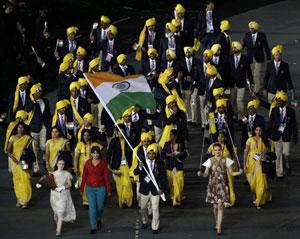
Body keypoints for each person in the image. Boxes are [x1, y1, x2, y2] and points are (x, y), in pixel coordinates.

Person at [198, 143, 242, 235]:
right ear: (213, 151)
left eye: (219, 150)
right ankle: (217, 222)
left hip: (222, 185)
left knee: (220, 205)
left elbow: (231, 173)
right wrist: (201, 174)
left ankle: (219, 227)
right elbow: (206, 174)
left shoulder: (227, 160)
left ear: (221, 151)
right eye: (216, 150)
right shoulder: (209, 160)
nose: (217, 152)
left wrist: (239, 173)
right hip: (213, 185)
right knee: (215, 206)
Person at [134, 143, 167, 234]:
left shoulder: (160, 163)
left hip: (155, 190)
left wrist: (162, 188)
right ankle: (144, 221)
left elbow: (163, 177)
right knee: (143, 208)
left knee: (155, 208)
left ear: (156, 154)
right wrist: (140, 167)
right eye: (149, 153)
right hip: (144, 189)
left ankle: (155, 227)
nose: (151, 155)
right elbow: (135, 172)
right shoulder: (142, 162)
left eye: (153, 154)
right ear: (147, 153)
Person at [80, 145, 111, 234]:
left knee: (100, 206)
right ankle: (93, 227)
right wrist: (82, 189)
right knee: (92, 208)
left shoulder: (103, 163)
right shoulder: (87, 163)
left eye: (97, 153)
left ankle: (98, 219)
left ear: (99, 154)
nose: (95, 155)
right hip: (90, 189)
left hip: (101, 188)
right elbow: (84, 176)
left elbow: (106, 177)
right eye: (93, 153)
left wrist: (108, 190)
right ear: (91, 154)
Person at [267, 91, 297, 179]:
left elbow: (294, 125)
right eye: (277, 100)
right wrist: (267, 136)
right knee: (278, 155)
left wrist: (295, 137)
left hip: (286, 136)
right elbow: (270, 123)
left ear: (284, 101)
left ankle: (287, 165)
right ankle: (279, 174)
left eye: (280, 100)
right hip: (276, 136)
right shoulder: (274, 110)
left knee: (286, 153)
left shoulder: (290, 111)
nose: (278, 102)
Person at [243, 125, 273, 208]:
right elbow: (246, 152)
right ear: (254, 131)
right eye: (256, 130)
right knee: (252, 183)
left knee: (261, 182)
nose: (258, 131)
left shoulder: (264, 140)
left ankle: (259, 200)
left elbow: (266, 152)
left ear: (262, 131)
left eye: (260, 130)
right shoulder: (249, 140)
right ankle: (256, 196)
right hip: (251, 163)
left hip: (260, 163)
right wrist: (244, 164)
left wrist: (263, 154)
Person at [6, 122, 33, 208]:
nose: (20, 129)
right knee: (17, 181)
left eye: (22, 127)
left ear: (24, 129)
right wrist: (13, 158)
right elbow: (8, 151)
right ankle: (19, 199)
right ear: (16, 129)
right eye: (18, 127)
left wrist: (26, 156)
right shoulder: (12, 138)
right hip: (14, 161)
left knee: (25, 180)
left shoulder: (28, 138)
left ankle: (25, 200)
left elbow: (30, 152)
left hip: (23, 161)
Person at [26, 83, 50, 175]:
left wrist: (48, 125)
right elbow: (27, 110)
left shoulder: (45, 101)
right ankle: (36, 170)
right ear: (33, 93)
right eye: (37, 92)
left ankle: (46, 165)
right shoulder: (29, 101)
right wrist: (34, 102)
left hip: (43, 127)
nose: (39, 93)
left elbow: (47, 114)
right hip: (33, 128)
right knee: (34, 150)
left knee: (44, 147)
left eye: (40, 91)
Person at [207, 132, 237, 207]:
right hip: (217, 170)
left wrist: (234, 166)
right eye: (219, 136)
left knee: (229, 184)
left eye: (222, 136)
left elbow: (234, 157)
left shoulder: (229, 146)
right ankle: (220, 199)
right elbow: (208, 155)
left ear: (225, 138)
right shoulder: (213, 146)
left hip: (227, 168)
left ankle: (230, 200)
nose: (220, 138)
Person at [107, 124, 133, 208]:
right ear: (117, 132)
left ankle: (128, 200)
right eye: (119, 131)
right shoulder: (114, 141)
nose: (121, 133)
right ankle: (122, 201)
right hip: (116, 165)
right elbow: (109, 153)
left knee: (127, 183)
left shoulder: (128, 141)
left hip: (127, 165)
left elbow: (132, 154)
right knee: (119, 185)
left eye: (122, 131)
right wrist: (108, 163)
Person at [243, 21, 271, 94]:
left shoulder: (262, 36)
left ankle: (257, 90)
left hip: (259, 58)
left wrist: (268, 57)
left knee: (257, 74)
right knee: (251, 74)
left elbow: (266, 46)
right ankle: (253, 87)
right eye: (250, 28)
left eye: (252, 28)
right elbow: (243, 45)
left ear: (256, 29)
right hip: (249, 58)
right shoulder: (247, 35)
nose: (251, 30)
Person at [50, 157, 76, 237]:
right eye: (60, 164)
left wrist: (63, 188)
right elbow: (50, 184)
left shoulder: (67, 174)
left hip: (64, 194)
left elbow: (70, 184)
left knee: (61, 211)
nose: (61, 165)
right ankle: (58, 224)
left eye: (63, 164)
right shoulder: (53, 174)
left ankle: (58, 231)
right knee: (57, 212)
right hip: (55, 195)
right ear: (57, 164)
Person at [162, 129, 187, 206]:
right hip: (169, 166)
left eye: (171, 135)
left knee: (180, 184)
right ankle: (174, 198)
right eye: (170, 135)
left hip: (178, 166)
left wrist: (179, 154)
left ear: (175, 136)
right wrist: (169, 155)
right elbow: (162, 154)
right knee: (171, 184)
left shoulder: (181, 144)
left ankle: (177, 197)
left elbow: (185, 155)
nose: (170, 136)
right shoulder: (167, 144)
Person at [229, 41, 253, 117]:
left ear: (239, 48)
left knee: (239, 101)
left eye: (234, 47)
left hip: (241, 83)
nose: (233, 49)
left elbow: (248, 71)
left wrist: (251, 82)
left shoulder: (245, 59)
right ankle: (233, 115)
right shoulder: (229, 58)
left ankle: (241, 116)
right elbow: (227, 72)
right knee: (232, 101)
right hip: (231, 84)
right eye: (233, 47)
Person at [74, 129, 95, 206]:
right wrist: (75, 167)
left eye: (87, 135)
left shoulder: (94, 144)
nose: (85, 137)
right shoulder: (79, 144)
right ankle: (85, 200)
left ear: (91, 136)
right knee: (84, 182)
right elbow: (76, 157)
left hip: (93, 166)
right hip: (82, 166)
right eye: (84, 135)